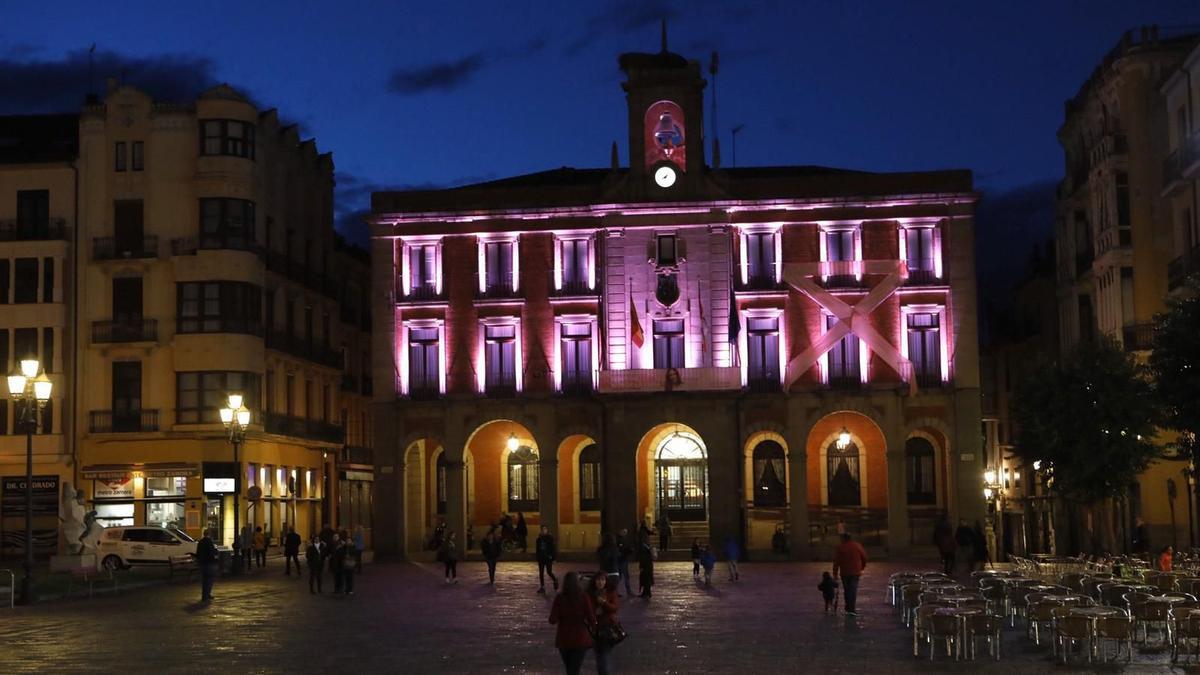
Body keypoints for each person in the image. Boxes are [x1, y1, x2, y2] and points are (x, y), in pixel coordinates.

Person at [548, 572, 595, 675]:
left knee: (569, 669)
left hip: (564, 639)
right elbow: (591, 617)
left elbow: (552, 620)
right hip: (580, 638)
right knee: (575, 669)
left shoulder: (560, 598)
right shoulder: (583, 597)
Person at [588, 570, 622, 675]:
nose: (600, 582)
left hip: (608, 628)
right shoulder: (590, 593)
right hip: (594, 628)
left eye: (602, 580)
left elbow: (615, 608)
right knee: (598, 655)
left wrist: (604, 603)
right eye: (598, 580)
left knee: (604, 654)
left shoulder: (611, 592)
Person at [832, 532, 868, 616]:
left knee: (847, 590)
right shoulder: (857, 546)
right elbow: (864, 557)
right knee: (853, 589)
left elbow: (836, 562)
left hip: (845, 572)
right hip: (855, 572)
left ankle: (848, 607)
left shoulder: (840, 548)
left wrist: (835, 574)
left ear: (844, 539)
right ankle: (851, 608)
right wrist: (862, 567)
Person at [196, 528, 219, 602]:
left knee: (204, 580)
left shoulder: (200, 542)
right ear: (209, 534)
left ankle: (204, 595)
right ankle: (207, 595)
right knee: (209, 580)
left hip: (202, 563)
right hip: (209, 563)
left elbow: (198, 553)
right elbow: (212, 553)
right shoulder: (209, 542)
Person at [535, 525, 559, 593]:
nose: (543, 530)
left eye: (545, 529)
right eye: (542, 529)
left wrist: (553, 557)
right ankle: (542, 587)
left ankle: (555, 580)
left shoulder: (550, 538)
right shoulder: (538, 539)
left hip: (548, 558)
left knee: (549, 572)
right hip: (541, 558)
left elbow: (553, 548)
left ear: (547, 530)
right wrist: (537, 557)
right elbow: (537, 549)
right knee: (541, 573)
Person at [616, 528, 635, 596]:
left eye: (626, 532)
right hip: (621, 560)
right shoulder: (619, 540)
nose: (625, 534)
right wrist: (628, 550)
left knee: (622, 576)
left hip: (623, 560)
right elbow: (621, 549)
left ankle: (625, 591)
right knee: (624, 576)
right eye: (624, 532)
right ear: (620, 531)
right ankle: (627, 591)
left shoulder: (623, 539)